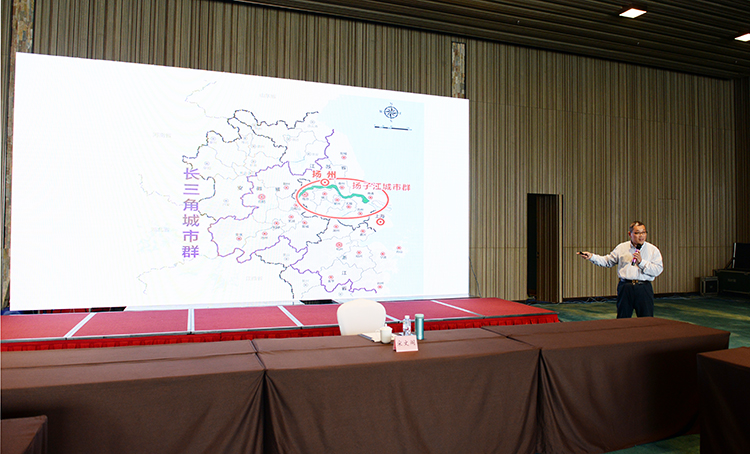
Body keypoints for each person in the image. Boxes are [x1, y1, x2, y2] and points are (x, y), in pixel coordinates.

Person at [577, 221, 664, 318]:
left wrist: (642, 262)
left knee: (646, 319)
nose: (641, 236)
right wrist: (592, 257)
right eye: (637, 233)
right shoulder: (622, 248)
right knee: (623, 318)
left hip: (644, 288)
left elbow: (657, 270)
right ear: (630, 234)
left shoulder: (653, 250)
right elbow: (607, 261)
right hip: (625, 287)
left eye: (643, 232)